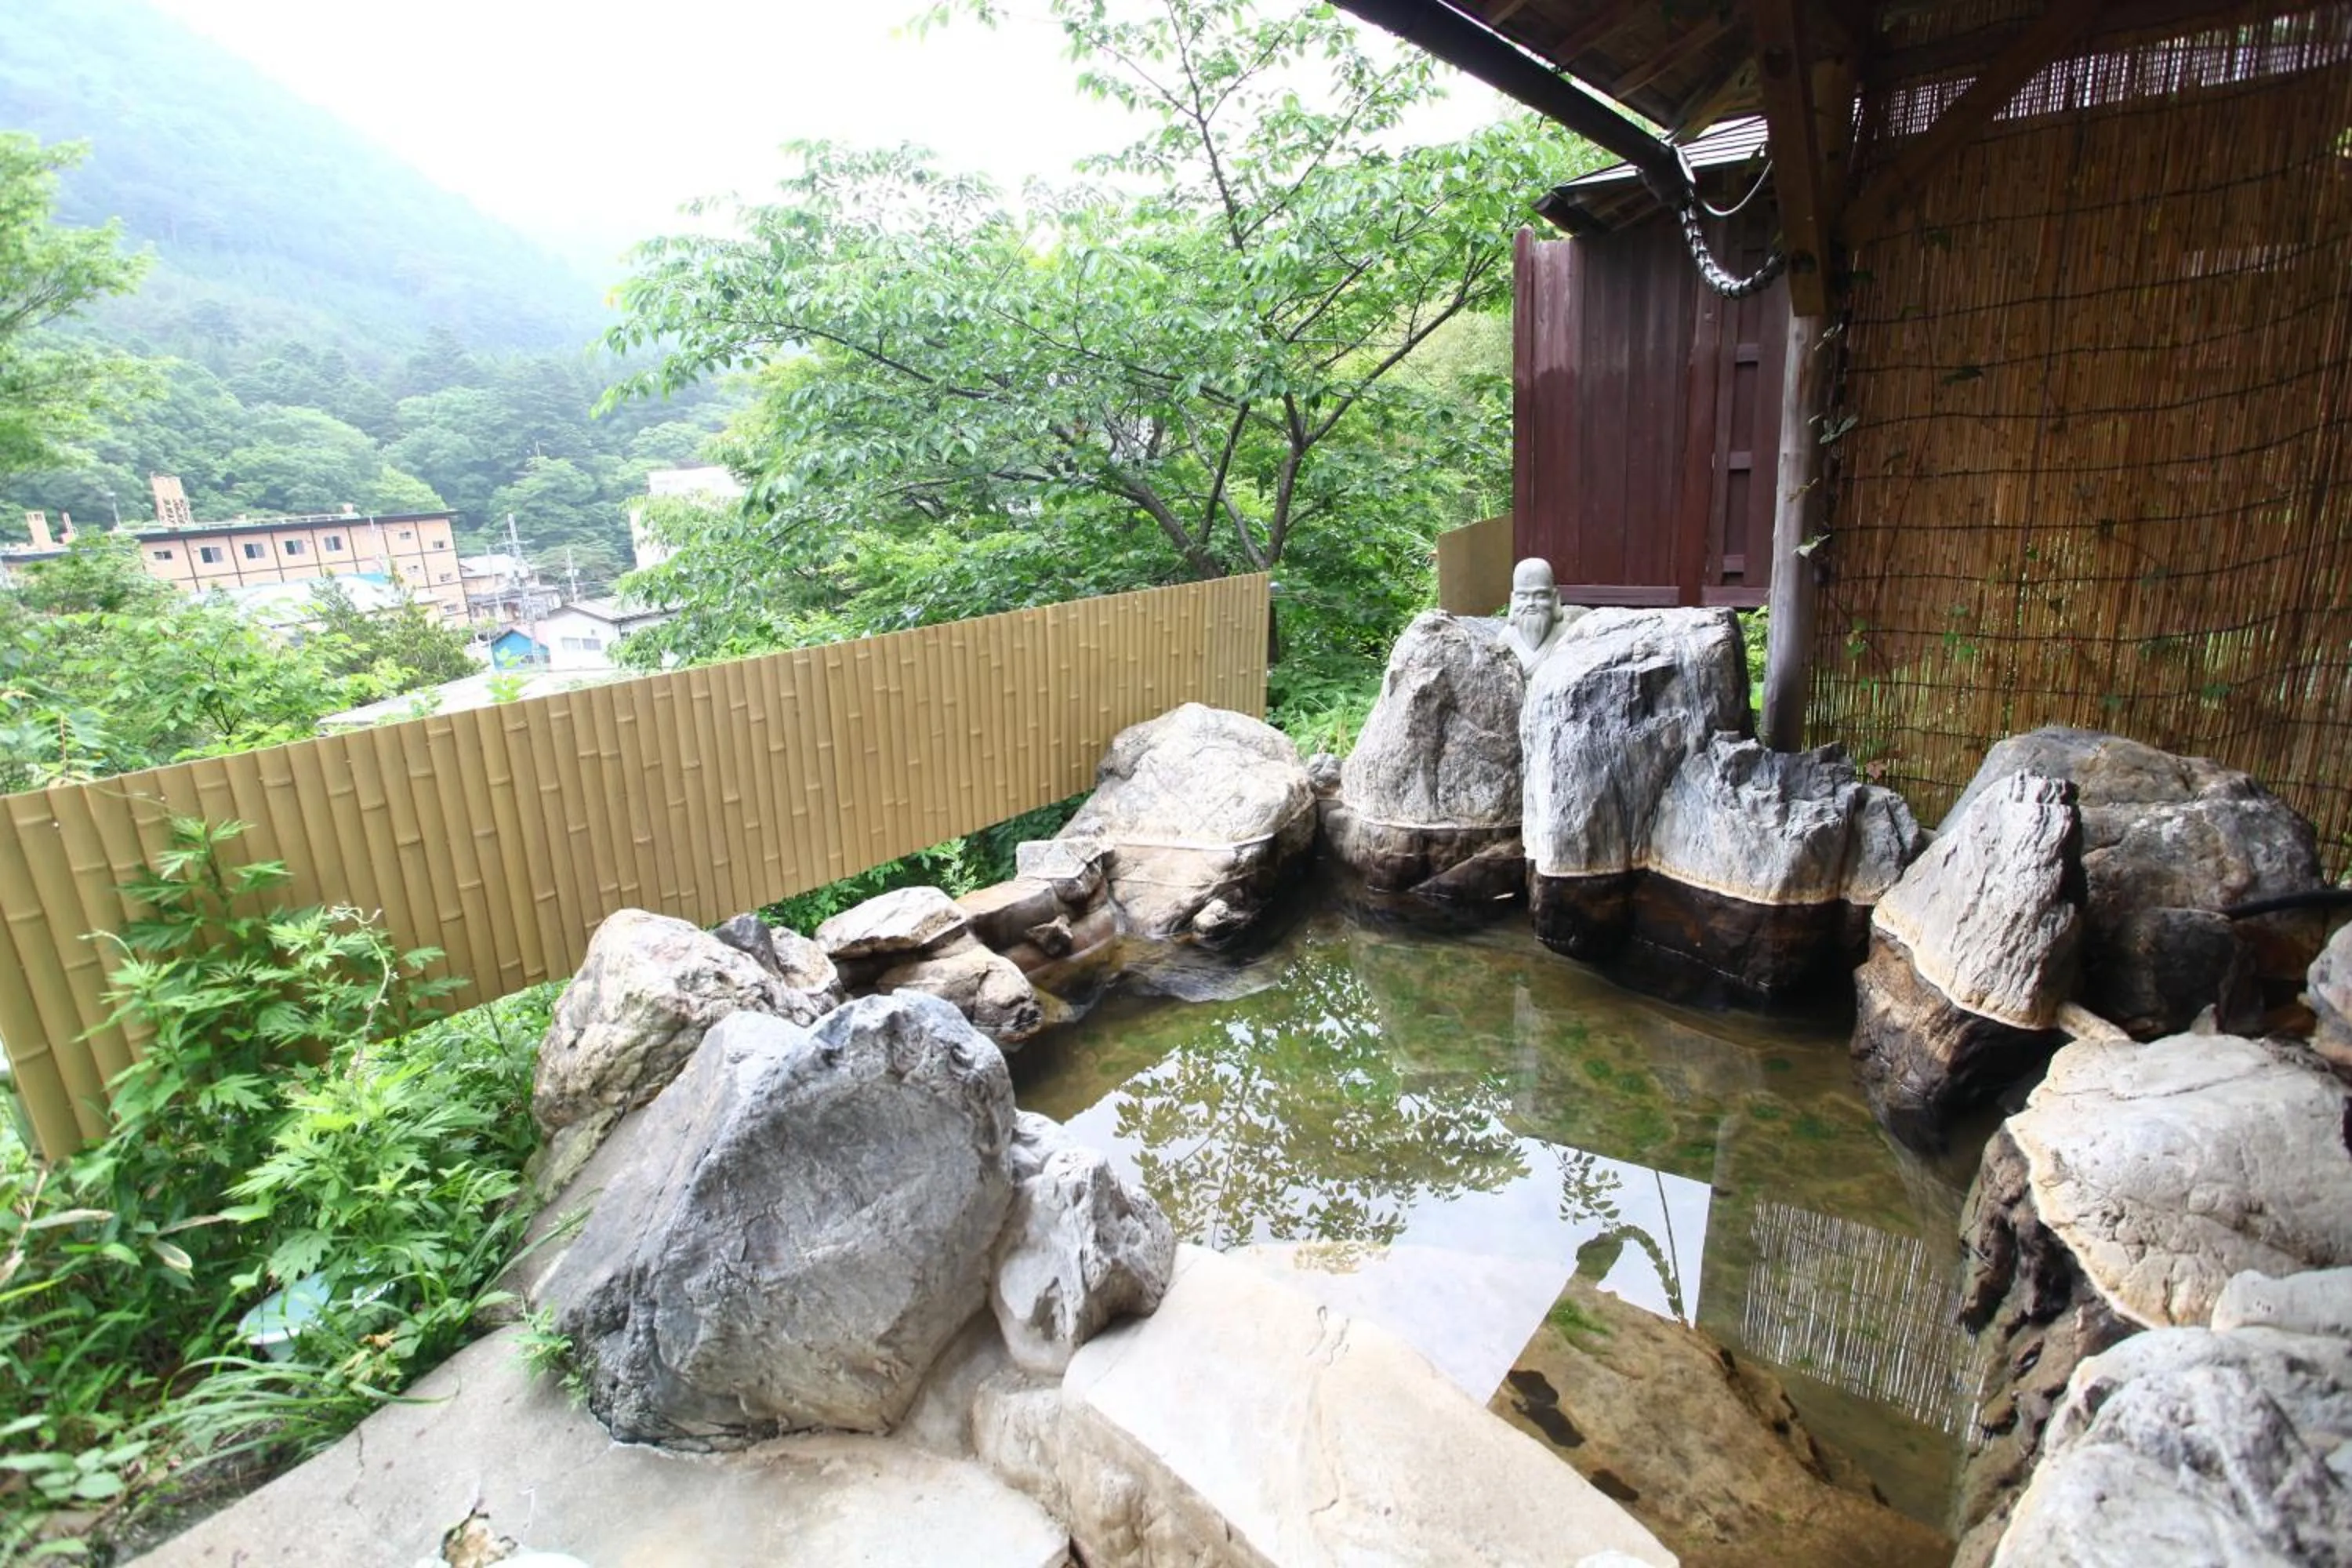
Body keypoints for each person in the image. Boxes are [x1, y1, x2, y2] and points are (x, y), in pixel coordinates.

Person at [1504, 557, 1573, 671]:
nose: (1531, 603)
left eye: (1541, 596)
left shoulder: (1567, 637)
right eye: (1523, 596)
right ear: (1514, 600)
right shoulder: (1507, 639)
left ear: (1555, 599)